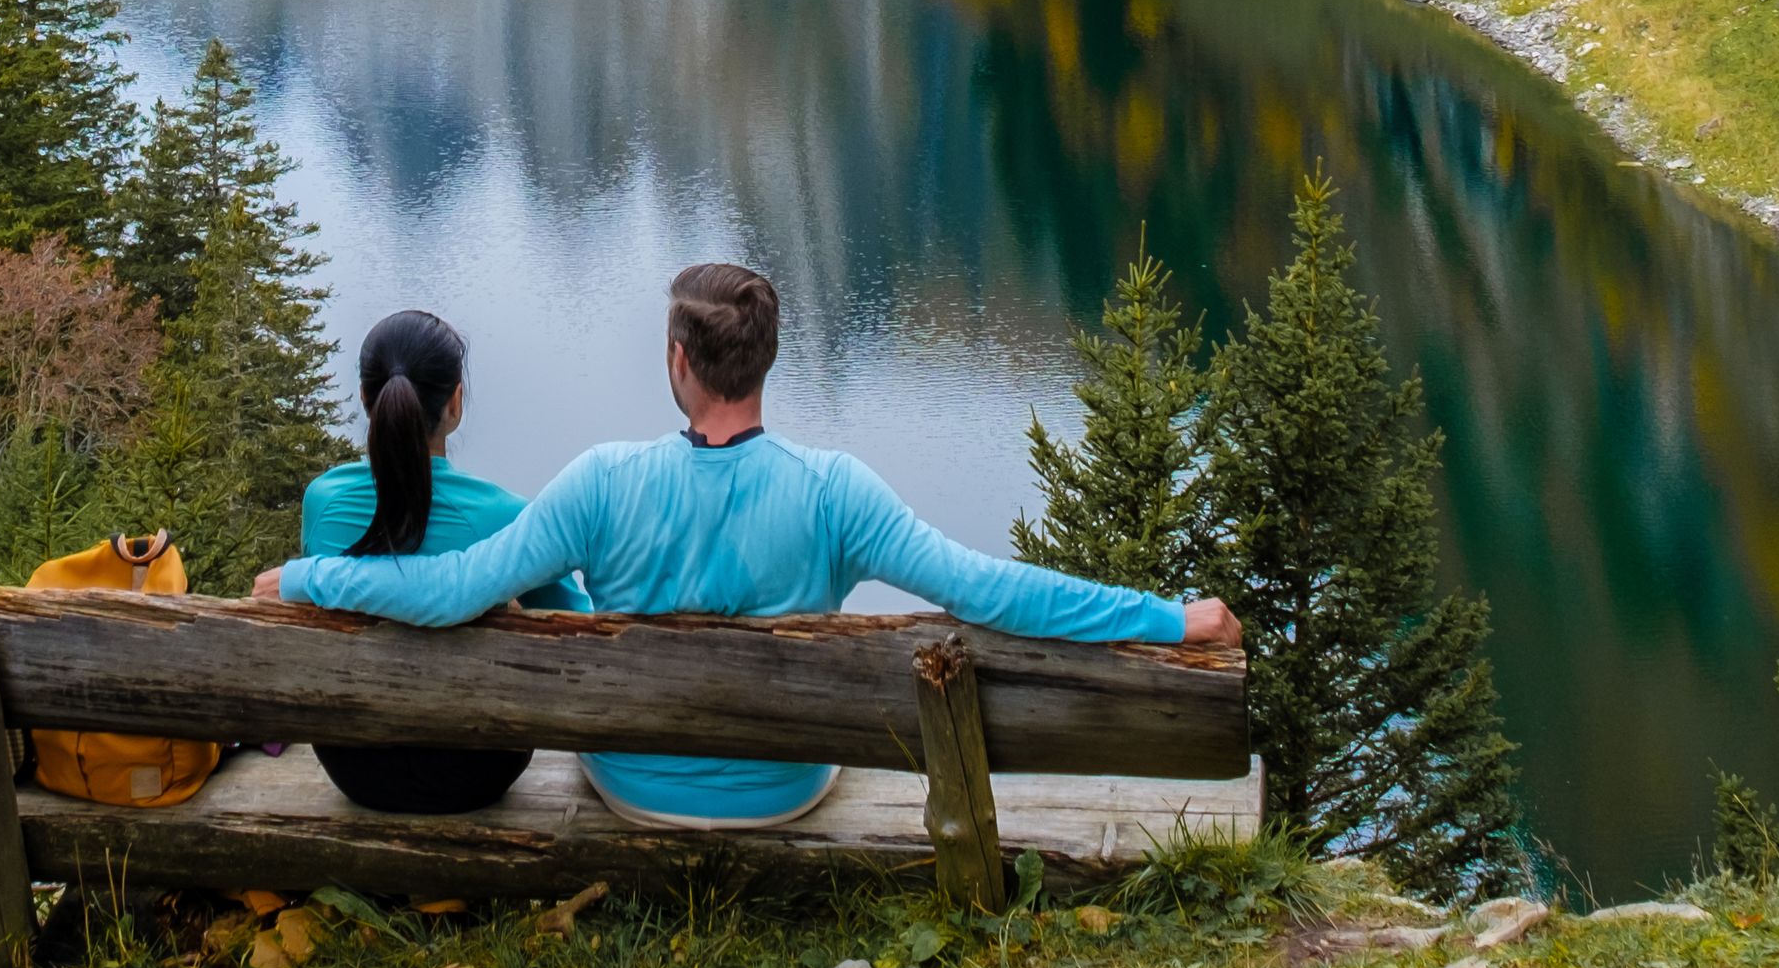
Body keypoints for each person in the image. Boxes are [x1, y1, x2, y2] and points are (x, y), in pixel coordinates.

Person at [259, 260, 1237, 825]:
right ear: (766, 360)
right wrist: (1170, 618)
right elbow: (988, 589)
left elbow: (444, 593)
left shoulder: (600, 482)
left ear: (678, 362)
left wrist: (306, 578)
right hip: (784, 787)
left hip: (635, 783)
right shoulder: (836, 492)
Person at [290, 310, 551, 814]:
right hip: (480, 769)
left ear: (366, 398)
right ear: (455, 402)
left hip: (355, 767)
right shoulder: (509, 516)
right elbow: (573, 622)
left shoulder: (324, 501)